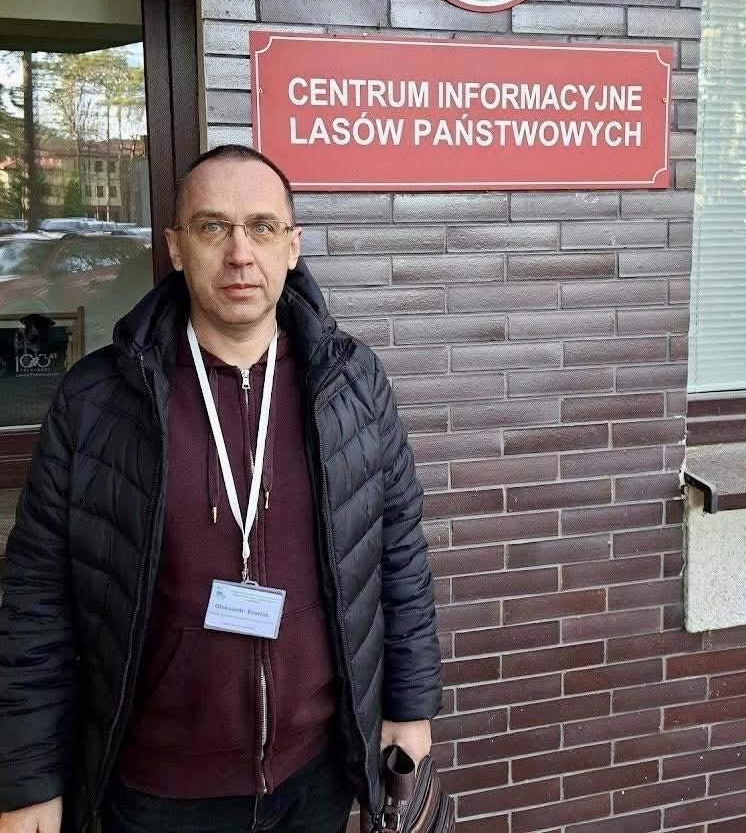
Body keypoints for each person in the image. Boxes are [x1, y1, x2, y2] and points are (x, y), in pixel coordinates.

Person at [0, 145, 442, 833]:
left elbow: (399, 558)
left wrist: (409, 710)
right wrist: (28, 781)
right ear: (176, 247)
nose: (241, 254)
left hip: (314, 779)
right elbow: (37, 598)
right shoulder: (97, 400)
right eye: (213, 227)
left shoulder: (352, 384)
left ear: (293, 245)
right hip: (154, 790)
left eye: (262, 227)